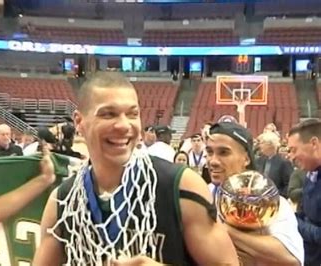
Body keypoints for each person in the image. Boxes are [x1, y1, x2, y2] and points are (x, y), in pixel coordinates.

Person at [33, 72, 238, 265]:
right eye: (108, 114)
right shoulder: (63, 201)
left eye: (132, 114)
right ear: (79, 121)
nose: (124, 125)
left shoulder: (181, 186)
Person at [206, 122, 304, 265]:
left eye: (224, 152)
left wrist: (221, 229)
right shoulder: (201, 195)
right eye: (209, 152)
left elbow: (291, 259)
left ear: (246, 158)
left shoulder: (270, 202)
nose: (213, 161)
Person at [287, 118, 321, 265]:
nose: (291, 156)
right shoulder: (310, 174)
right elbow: (306, 214)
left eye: (294, 150)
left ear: (314, 144)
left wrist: (293, 222)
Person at [256, 131, 293, 197]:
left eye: (262, 143)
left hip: (277, 199)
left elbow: (288, 185)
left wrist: (275, 195)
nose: (259, 145)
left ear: (270, 144)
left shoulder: (283, 163)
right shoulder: (259, 160)